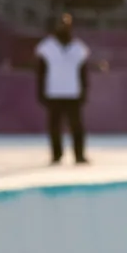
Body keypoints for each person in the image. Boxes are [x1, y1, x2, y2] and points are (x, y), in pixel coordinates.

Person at [35, 14, 91, 165]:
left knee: (76, 126)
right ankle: (56, 155)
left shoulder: (79, 48)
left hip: (73, 93)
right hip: (54, 92)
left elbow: (83, 73)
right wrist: (41, 91)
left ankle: (79, 155)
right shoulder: (46, 47)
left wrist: (84, 90)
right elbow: (41, 72)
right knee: (54, 126)